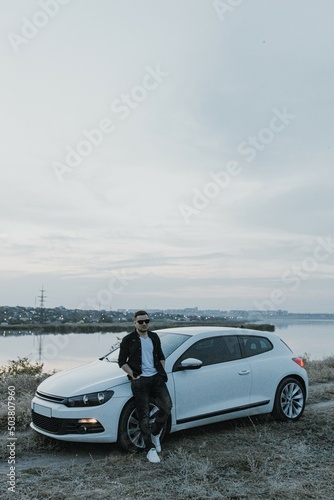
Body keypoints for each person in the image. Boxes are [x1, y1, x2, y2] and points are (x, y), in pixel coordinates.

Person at [118, 310, 172, 463]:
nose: (144, 324)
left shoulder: (154, 337)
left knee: (167, 407)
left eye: (146, 321)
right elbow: (122, 361)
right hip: (140, 381)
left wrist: (161, 371)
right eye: (140, 322)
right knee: (144, 414)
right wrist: (133, 375)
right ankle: (150, 449)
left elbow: (161, 356)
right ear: (134, 323)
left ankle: (155, 434)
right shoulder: (128, 339)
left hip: (156, 378)